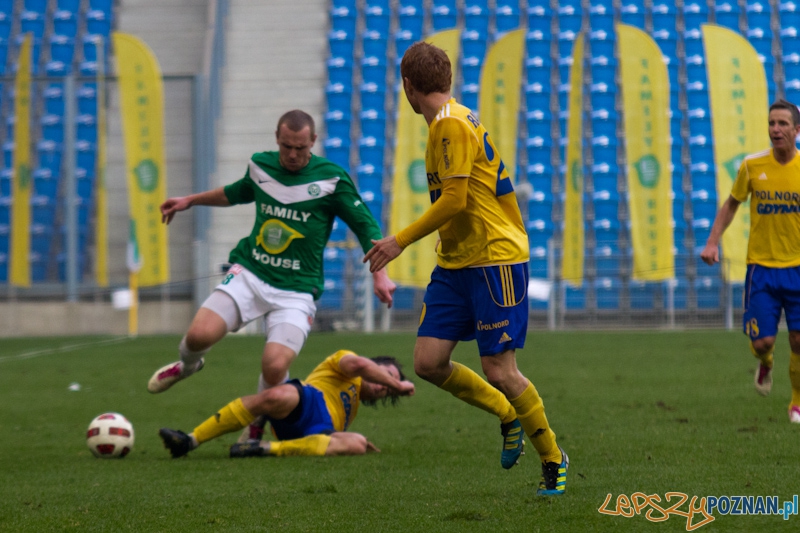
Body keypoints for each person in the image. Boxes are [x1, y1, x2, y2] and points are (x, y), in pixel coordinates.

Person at [363, 42, 568, 496]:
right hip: (457, 260)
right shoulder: (448, 121)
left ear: (407, 86)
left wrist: (399, 240)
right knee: (427, 362)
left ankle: (553, 457)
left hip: (494, 258)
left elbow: (455, 199)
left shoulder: (451, 124)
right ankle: (507, 413)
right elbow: (463, 199)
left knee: (500, 369)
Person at [147, 110, 396, 436]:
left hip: (297, 290)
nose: (292, 154)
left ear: (313, 141)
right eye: (286, 146)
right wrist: (190, 201)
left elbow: (366, 226)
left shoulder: (332, 179)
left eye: (300, 148)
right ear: (277, 138)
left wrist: (379, 274)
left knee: (275, 366)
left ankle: (256, 423)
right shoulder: (261, 165)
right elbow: (235, 192)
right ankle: (187, 366)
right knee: (197, 337)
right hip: (251, 273)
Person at [701, 99, 800, 422]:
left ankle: (796, 403)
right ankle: (766, 362)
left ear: (797, 130)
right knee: (762, 342)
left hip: (798, 269)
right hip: (762, 269)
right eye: (772, 123)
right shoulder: (752, 165)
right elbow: (732, 204)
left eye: (783, 124)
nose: (775, 129)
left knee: (798, 340)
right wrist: (712, 242)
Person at [158, 350, 415, 458]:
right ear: (374, 365)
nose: (384, 386)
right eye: (386, 376)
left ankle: (262, 448)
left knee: (357, 443)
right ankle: (189, 441)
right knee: (278, 395)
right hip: (307, 402)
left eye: (387, 389)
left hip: (319, 432)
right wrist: (398, 385)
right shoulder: (345, 363)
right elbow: (359, 365)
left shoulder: (354, 404)